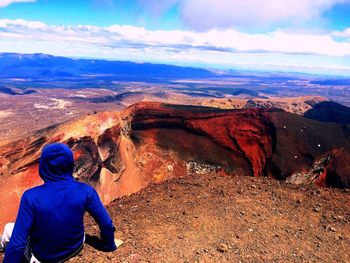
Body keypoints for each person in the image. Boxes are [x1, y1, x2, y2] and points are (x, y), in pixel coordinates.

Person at [1, 143, 118, 262]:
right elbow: (106, 223)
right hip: (75, 246)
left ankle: (2, 245)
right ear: (70, 165)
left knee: (9, 229)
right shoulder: (86, 190)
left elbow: (17, 244)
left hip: (43, 257)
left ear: (44, 167)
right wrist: (109, 245)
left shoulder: (31, 196)